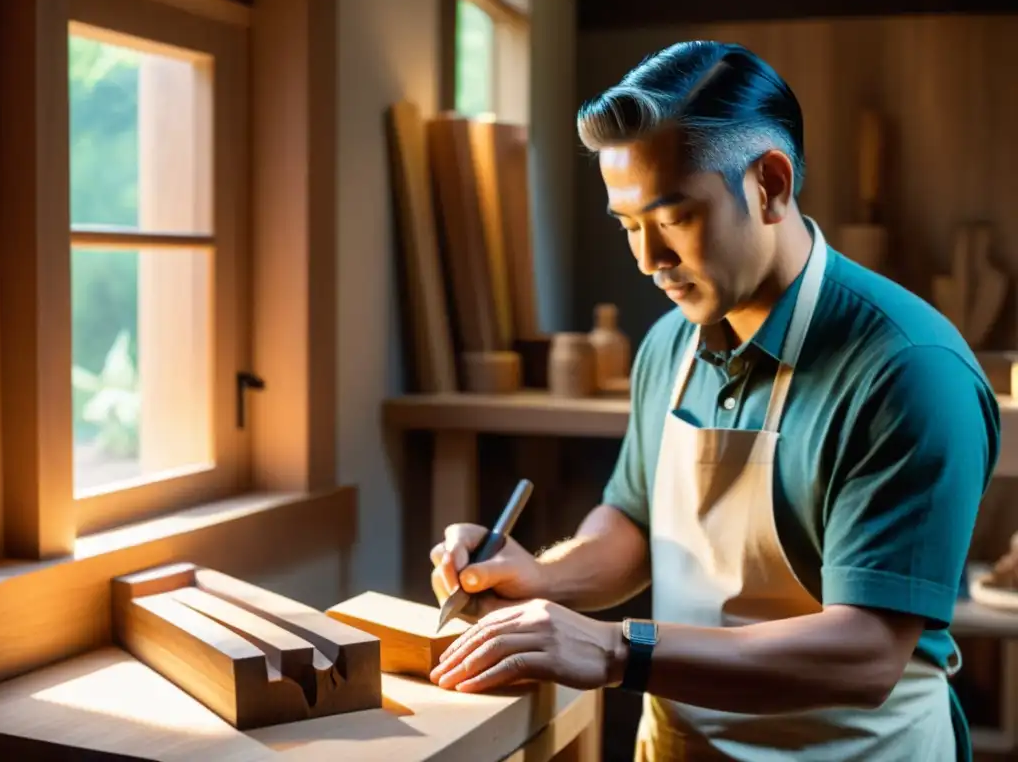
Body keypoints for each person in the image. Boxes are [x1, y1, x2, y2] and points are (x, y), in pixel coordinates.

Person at [428, 40, 1000, 761]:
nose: (648, 261)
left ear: (770, 183)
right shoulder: (670, 343)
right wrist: (544, 574)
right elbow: (633, 521)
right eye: (628, 226)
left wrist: (615, 649)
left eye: (672, 219)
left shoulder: (908, 370)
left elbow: (865, 653)